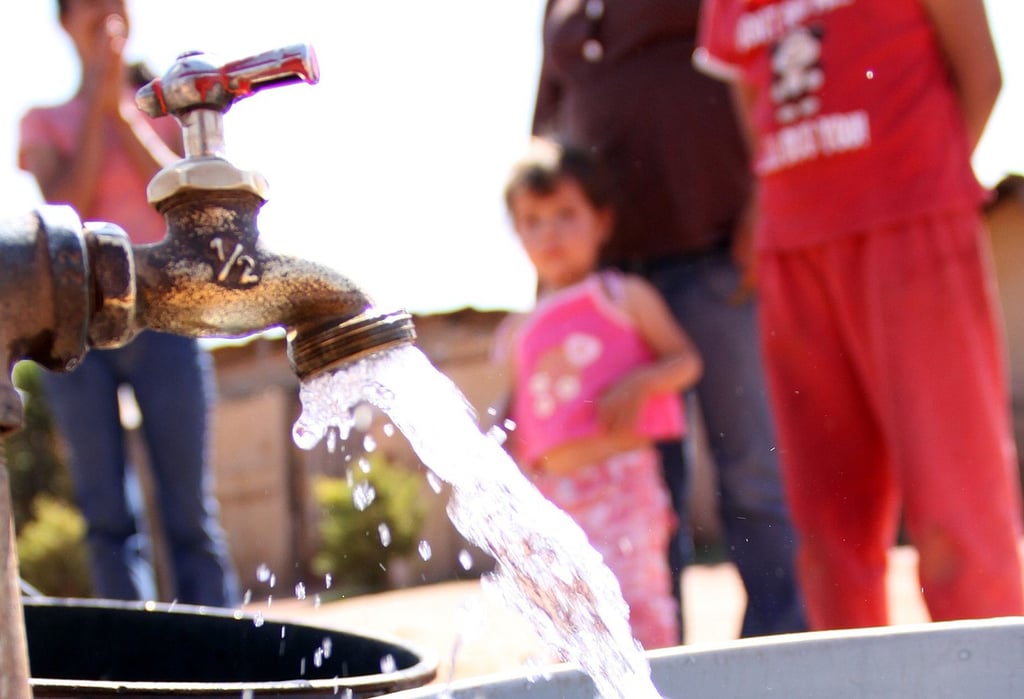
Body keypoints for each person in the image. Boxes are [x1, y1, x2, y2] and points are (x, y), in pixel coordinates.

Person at [694, 0, 1024, 629]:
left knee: (956, 504)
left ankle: (991, 675)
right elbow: (752, 105)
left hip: (912, 228)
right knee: (827, 526)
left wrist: (913, 178)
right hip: (793, 250)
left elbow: (983, 75)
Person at [532, 0, 806, 639]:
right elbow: (545, 134)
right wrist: (551, 290)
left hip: (712, 249)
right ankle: (653, 660)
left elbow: (762, 63)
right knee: (647, 487)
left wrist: (766, 200)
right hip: (611, 283)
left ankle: (783, 645)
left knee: (752, 467)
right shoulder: (558, 9)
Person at [18, 0, 239, 606]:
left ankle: (222, 666)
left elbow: (188, 196)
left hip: (167, 313)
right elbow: (68, 202)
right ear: (65, 22)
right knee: (107, 520)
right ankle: (136, 661)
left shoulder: (170, 108)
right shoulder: (43, 122)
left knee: (191, 514)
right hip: (78, 329)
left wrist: (123, 108)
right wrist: (100, 101)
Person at [492, 137, 704, 649]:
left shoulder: (622, 296)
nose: (551, 234)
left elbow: (686, 361)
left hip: (624, 485)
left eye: (566, 215)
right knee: (566, 622)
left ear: (601, 222)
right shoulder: (516, 330)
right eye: (534, 221)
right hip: (552, 497)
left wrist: (641, 382)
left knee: (638, 607)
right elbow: (516, 409)